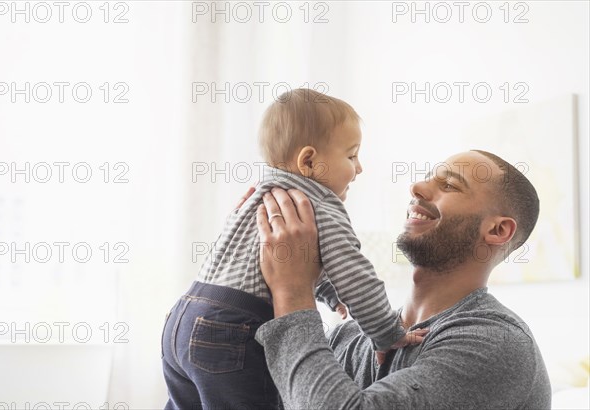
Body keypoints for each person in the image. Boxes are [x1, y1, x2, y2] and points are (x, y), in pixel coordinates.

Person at [161, 89, 423, 410]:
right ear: (309, 161)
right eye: (352, 156)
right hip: (232, 328)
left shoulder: (260, 196)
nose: (359, 168)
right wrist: (386, 333)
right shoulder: (320, 203)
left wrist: (328, 292)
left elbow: (296, 260)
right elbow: (355, 274)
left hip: (183, 317)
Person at [254, 150, 552, 409]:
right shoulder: (349, 337)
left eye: (449, 185)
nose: (417, 187)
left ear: (498, 231)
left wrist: (291, 292)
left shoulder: (496, 343)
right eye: (427, 178)